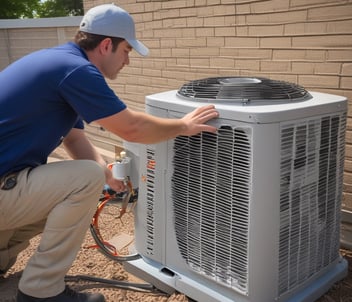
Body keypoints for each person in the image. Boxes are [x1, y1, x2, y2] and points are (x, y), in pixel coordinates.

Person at [0, 4, 218, 302]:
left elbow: (75, 140)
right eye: (126, 50)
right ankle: (40, 292)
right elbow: (132, 128)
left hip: (7, 187)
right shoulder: (77, 70)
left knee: (81, 181)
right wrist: (183, 125)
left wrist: (107, 175)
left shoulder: (57, 63)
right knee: (83, 180)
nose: (127, 61)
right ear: (106, 45)